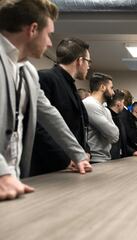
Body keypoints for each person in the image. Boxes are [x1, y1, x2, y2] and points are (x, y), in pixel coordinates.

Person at [0, 0, 91, 201]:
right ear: (33, 29)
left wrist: (77, 154)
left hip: (12, 181)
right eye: (48, 34)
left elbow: (50, 115)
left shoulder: (29, 72)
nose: (50, 43)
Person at [30, 38, 91, 176]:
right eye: (88, 62)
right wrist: (65, 160)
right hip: (48, 169)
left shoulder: (71, 85)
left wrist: (84, 152)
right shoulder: (46, 78)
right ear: (80, 61)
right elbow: (39, 126)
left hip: (73, 165)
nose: (88, 66)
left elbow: (79, 126)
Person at [83, 73, 119, 163]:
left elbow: (115, 136)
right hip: (93, 159)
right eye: (111, 88)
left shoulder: (105, 109)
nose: (113, 92)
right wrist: (112, 133)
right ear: (103, 87)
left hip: (104, 158)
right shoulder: (90, 104)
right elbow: (113, 134)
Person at [117, 90, 137, 157]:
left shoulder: (126, 112)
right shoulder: (124, 114)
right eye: (131, 97)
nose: (131, 99)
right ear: (126, 99)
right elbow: (127, 134)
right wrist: (132, 150)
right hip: (129, 151)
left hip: (131, 150)